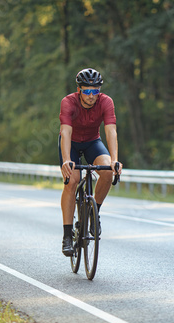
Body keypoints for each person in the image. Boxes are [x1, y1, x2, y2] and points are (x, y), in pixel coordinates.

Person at [59, 68, 122, 256]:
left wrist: (115, 160)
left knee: (107, 170)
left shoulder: (106, 102)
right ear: (79, 90)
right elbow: (65, 132)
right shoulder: (68, 102)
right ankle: (68, 236)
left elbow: (111, 131)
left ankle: (95, 213)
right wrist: (67, 160)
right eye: (87, 91)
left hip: (93, 142)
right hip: (71, 143)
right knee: (72, 180)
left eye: (95, 91)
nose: (91, 95)